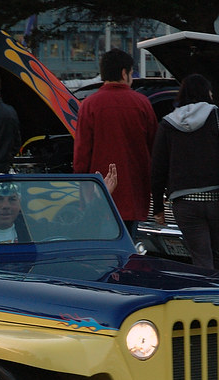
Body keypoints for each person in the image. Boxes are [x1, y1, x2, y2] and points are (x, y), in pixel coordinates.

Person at [150, 74, 219, 272]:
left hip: (185, 203)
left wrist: (157, 207)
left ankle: (207, 300)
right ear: (207, 93)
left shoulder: (167, 124)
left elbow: (158, 168)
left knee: (201, 256)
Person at [74, 48, 157, 238]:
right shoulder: (143, 104)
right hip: (135, 194)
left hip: (99, 196)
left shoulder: (89, 105)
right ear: (123, 73)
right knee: (129, 252)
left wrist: (83, 191)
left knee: (103, 254)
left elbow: (81, 155)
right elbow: (155, 150)